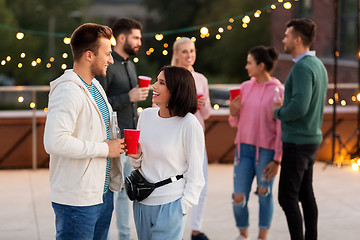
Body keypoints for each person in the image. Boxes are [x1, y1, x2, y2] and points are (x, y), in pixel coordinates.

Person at [43, 23, 125, 240]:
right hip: (77, 201)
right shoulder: (68, 90)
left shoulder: (95, 86)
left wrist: (120, 144)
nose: (111, 60)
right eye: (107, 54)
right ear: (89, 55)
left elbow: (97, 132)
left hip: (102, 195)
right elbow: (54, 142)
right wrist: (104, 149)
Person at [127, 65, 205, 240]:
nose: (154, 86)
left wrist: (182, 207)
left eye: (161, 83)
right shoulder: (146, 116)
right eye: (156, 81)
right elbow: (138, 164)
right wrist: (136, 156)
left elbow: (196, 175)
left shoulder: (189, 124)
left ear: (176, 90)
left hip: (171, 205)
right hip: (142, 202)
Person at [272, 18, 328, 240]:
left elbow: (299, 106)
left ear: (297, 39)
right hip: (309, 139)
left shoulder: (304, 68)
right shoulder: (318, 65)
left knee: (287, 197)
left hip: (298, 141)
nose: (283, 39)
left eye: (286, 36)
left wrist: (277, 112)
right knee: (305, 194)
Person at [96, 18, 149, 240]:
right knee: (112, 192)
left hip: (132, 137)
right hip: (113, 139)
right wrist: (129, 97)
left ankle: (126, 236)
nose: (139, 42)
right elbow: (101, 102)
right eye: (135, 37)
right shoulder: (107, 65)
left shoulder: (130, 63)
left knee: (128, 192)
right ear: (122, 38)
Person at [228, 46, 283, 240]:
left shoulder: (279, 90)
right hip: (243, 149)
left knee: (264, 193)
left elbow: (281, 128)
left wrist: (277, 159)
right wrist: (233, 111)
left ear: (261, 66)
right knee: (238, 197)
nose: (246, 66)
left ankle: (262, 237)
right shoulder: (244, 87)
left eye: (249, 62)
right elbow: (235, 121)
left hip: (267, 152)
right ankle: (243, 235)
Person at [171, 37, 212, 240]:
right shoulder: (169, 77)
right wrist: (190, 103)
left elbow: (207, 114)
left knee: (200, 184)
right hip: (175, 140)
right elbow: (160, 109)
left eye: (192, 51)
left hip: (198, 139)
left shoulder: (201, 78)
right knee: (178, 187)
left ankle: (196, 230)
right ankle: (175, 228)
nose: (189, 55)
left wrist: (202, 105)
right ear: (176, 53)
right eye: (185, 51)